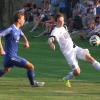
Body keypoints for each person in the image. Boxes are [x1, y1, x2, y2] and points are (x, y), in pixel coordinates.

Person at [48, 14, 100, 87]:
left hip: (75, 48)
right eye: (60, 21)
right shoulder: (55, 30)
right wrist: (51, 43)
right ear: (56, 21)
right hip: (69, 54)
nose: (62, 22)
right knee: (77, 72)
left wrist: (76, 34)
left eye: (62, 20)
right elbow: (51, 38)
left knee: (90, 58)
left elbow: (67, 37)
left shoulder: (64, 27)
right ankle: (66, 78)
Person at [0, 12, 45, 87]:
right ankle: (33, 83)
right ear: (18, 20)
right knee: (31, 66)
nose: (24, 20)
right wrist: (1, 49)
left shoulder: (18, 30)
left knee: (6, 70)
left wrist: (26, 42)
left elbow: (22, 34)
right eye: (23, 19)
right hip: (11, 57)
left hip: (9, 57)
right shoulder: (11, 29)